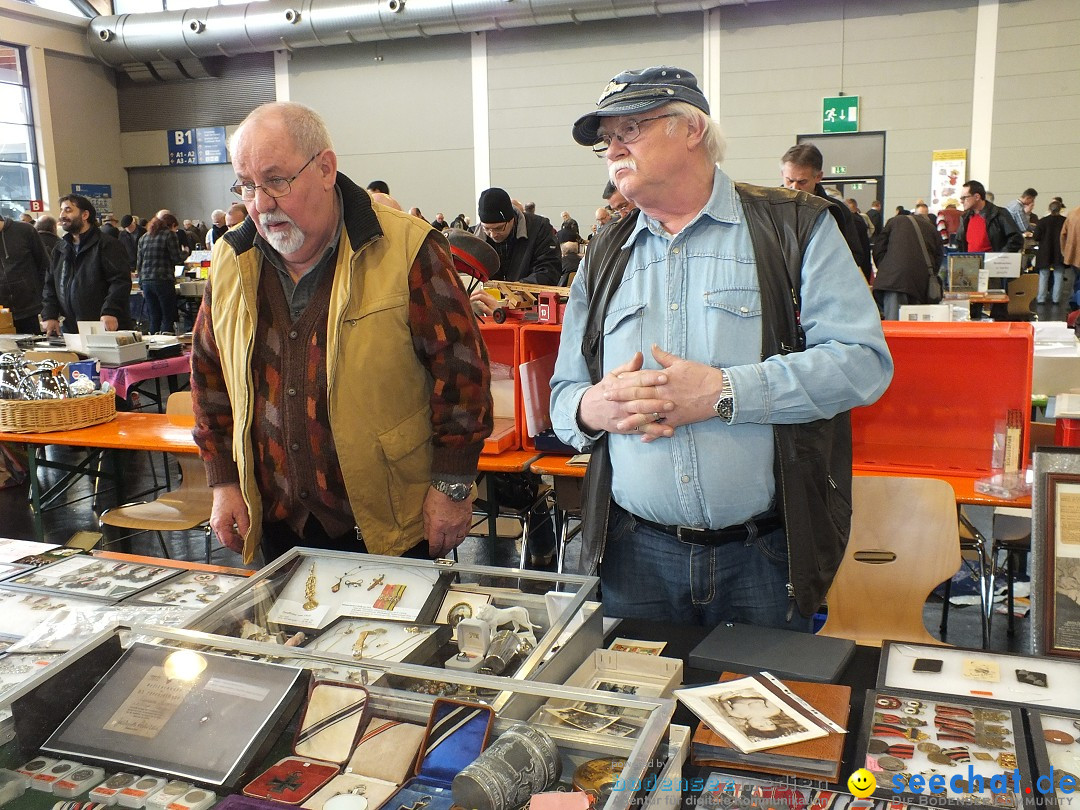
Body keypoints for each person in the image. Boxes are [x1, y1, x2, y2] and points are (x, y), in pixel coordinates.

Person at [550, 65, 892, 628]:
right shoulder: (604, 253)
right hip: (633, 555)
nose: (613, 151)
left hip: (764, 555)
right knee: (642, 713)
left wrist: (722, 392)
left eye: (628, 130)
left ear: (691, 130)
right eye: (605, 141)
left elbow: (863, 364)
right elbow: (565, 393)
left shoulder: (795, 227)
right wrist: (594, 408)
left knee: (758, 713)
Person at [190, 101, 492, 564]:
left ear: (326, 168)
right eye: (247, 186)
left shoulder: (408, 249)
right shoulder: (232, 262)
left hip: (388, 526)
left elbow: (462, 377)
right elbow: (209, 376)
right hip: (276, 525)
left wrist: (452, 486)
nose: (261, 203)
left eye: (276, 180)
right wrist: (224, 481)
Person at [41, 194, 133, 335]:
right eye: (61, 210)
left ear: (85, 215)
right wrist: (50, 315)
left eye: (68, 210)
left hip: (105, 325)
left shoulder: (107, 245)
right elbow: (50, 284)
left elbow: (120, 281)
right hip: (71, 328)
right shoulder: (60, 248)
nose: (62, 215)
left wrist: (110, 310)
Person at [780, 144, 872, 283]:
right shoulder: (768, 208)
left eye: (802, 182)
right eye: (789, 180)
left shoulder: (836, 211)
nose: (795, 188)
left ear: (818, 177)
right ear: (782, 174)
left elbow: (855, 256)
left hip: (822, 287)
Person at [470, 187, 560, 317]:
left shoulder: (539, 228)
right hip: (487, 312)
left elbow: (549, 269)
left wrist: (518, 290)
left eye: (499, 228)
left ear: (512, 218)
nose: (493, 234)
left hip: (530, 311)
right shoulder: (473, 239)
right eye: (487, 229)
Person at [872, 211, 944, 319]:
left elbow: (878, 249)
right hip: (921, 282)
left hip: (893, 281)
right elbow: (938, 256)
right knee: (915, 324)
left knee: (894, 324)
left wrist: (886, 268)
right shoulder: (932, 228)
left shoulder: (894, 222)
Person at [0, 214, 49, 334]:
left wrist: (46, 302)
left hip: (31, 310)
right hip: (3, 316)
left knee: (35, 351)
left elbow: (45, 267)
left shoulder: (25, 230)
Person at [137, 213, 184, 333]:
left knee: (154, 317)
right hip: (163, 279)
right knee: (167, 317)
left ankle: (154, 345)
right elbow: (176, 258)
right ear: (171, 225)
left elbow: (139, 263)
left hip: (146, 282)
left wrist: (141, 284)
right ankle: (167, 346)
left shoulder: (144, 237)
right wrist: (185, 252)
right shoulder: (169, 235)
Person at [955, 180, 1023, 254]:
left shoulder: (999, 214)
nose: (961, 201)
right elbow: (960, 243)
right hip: (971, 263)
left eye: (964, 198)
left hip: (993, 264)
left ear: (977, 197)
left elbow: (1016, 239)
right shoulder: (965, 218)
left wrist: (999, 258)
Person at [1034, 201, 1067, 305]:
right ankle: (1056, 299)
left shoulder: (1042, 221)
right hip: (1060, 251)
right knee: (1059, 274)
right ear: (1060, 209)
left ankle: (1041, 298)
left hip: (1045, 251)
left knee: (1043, 275)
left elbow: (1036, 237)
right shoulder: (1064, 221)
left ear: (1049, 209)